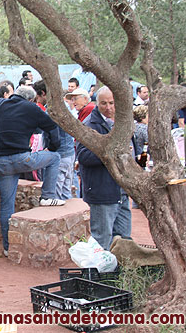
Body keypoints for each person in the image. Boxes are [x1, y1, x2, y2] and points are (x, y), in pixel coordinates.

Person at [0, 86, 62, 256]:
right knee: (55, 158)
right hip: (20, 158)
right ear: (30, 99)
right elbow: (52, 127)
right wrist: (52, 147)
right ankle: (47, 196)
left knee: (6, 205)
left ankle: (8, 248)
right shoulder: (31, 107)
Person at [77, 87, 132, 250]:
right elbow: (84, 156)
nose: (108, 107)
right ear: (96, 103)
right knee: (102, 240)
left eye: (111, 103)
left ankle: (121, 273)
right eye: (104, 104)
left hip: (120, 191)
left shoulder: (121, 122)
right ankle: (101, 273)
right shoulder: (89, 126)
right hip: (101, 192)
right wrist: (111, 154)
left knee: (124, 240)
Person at [33, 80, 75, 200]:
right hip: (69, 153)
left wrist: (50, 148)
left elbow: (54, 134)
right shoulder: (64, 106)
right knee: (66, 192)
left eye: (38, 96)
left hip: (60, 155)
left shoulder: (52, 111)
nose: (37, 99)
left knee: (55, 194)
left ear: (42, 93)